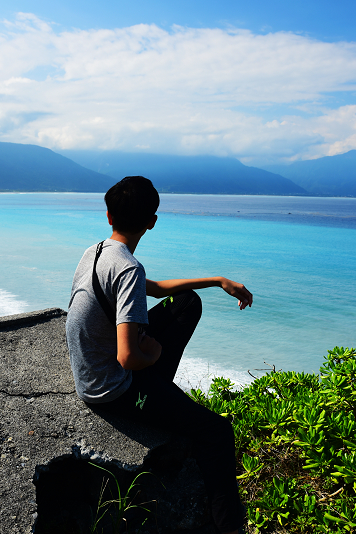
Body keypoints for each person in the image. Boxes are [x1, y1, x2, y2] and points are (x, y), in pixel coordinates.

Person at [65, 176, 253, 534]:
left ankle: (158, 388)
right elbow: (127, 358)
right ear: (152, 221)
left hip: (90, 369)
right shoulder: (128, 267)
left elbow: (151, 289)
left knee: (186, 302)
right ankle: (229, 527)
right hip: (112, 389)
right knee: (217, 431)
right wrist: (153, 353)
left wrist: (216, 281)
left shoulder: (98, 251)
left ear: (108, 216)